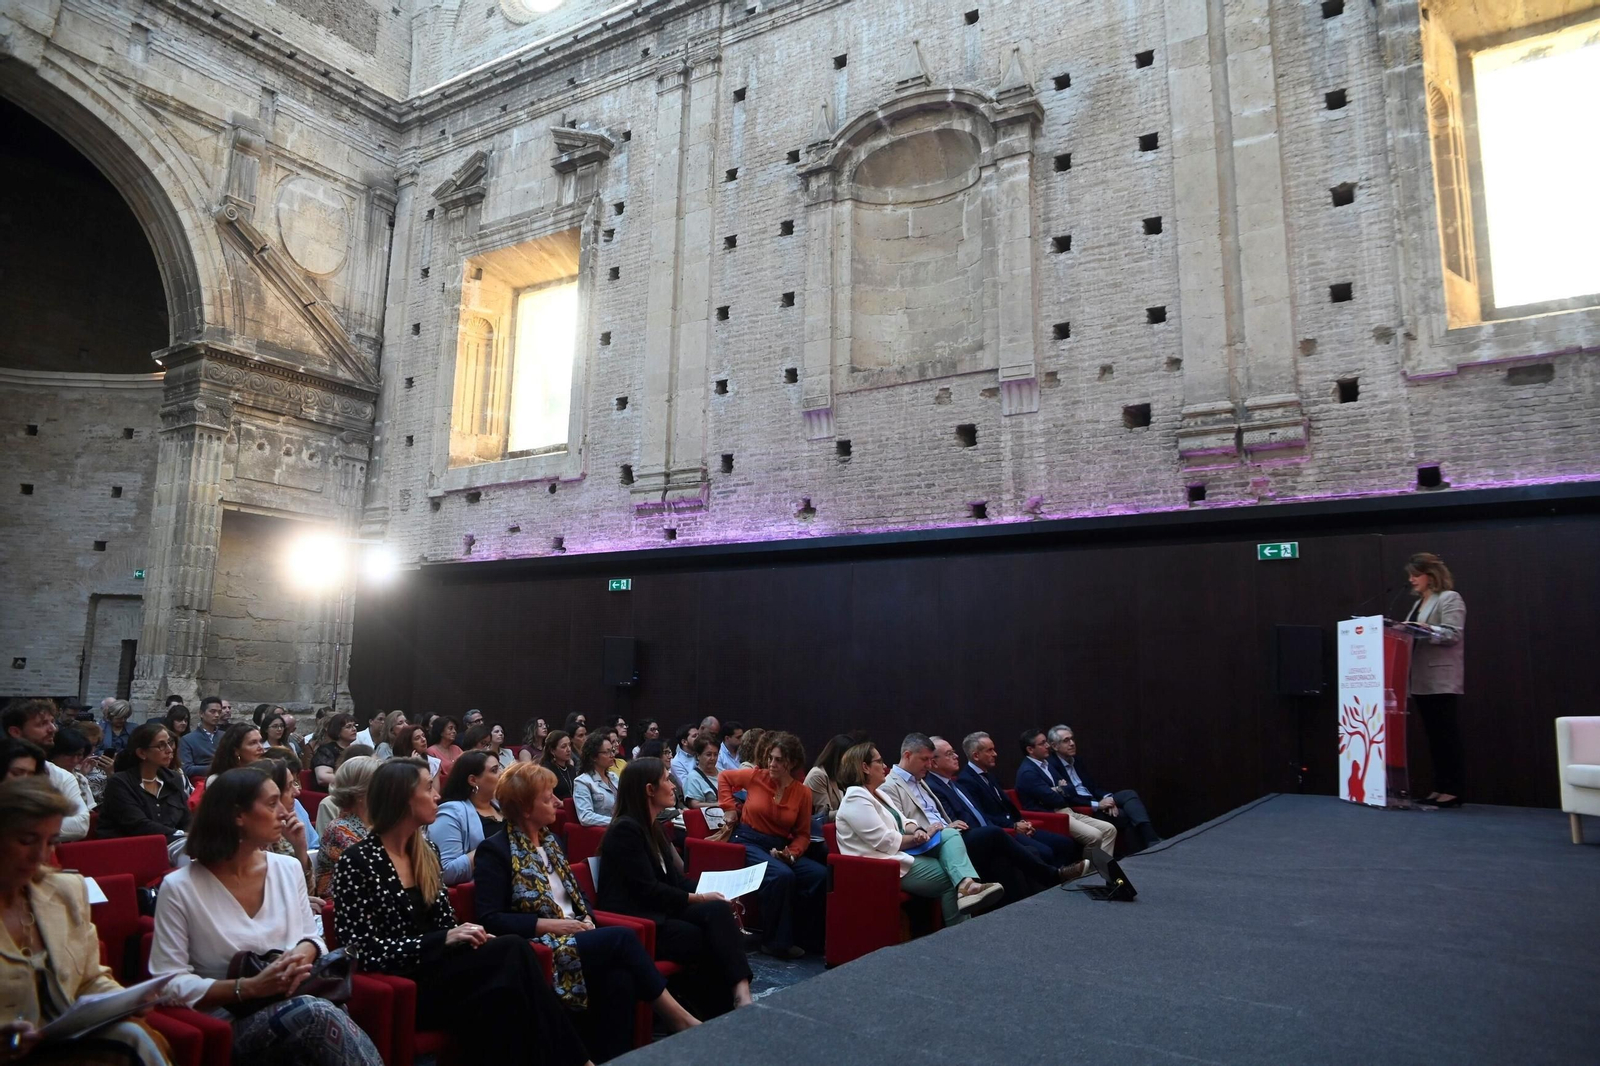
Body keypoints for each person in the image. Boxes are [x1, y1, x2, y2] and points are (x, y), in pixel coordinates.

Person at [330, 760, 592, 1066]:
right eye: (428, 788)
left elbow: (444, 925)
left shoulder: (426, 851)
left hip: (444, 972)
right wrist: (444, 938)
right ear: (401, 798)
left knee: (509, 977)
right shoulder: (358, 861)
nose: (438, 796)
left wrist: (469, 936)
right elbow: (359, 949)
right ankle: (579, 1061)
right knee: (512, 956)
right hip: (406, 984)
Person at [148, 767, 384, 1066]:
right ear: (238, 815)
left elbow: (312, 936)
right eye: (272, 804)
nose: (285, 812)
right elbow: (167, 983)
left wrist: (300, 953)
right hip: (229, 1018)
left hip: (297, 1000)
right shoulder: (180, 887)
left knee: (319, 1013)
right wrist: (250, 987)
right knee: (317, 1014)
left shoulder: (287, 869)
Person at [476, 763, 700, 1058]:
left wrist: (587, 920)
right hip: (539, 945)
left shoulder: (551, 842)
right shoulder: (495, 850)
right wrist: (553, 926)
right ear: (525, 809)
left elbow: (577, 895)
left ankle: (615, 1058)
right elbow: (491, 918)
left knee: (619, 979)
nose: (558, 801)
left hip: (576, 934)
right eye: (548, 798)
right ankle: (678, 1017)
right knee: (622, 938)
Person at [0, 777, 172, 1065]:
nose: (40, 855)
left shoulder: (66, 890)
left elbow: (90, 979)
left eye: (51, 842)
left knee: (131, 1034)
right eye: (26, 840)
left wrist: (123, 1002)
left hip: (67, 1047)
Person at [596, 759, 753, 1012]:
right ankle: (710, 1006)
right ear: (649, 789)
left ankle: (741, 992)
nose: (673, 787)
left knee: (719, 911)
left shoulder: (653, 827)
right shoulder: (625, 830)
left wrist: (712, 890)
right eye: (667, 780)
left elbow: (675, 882)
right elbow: (647, 891)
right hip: (637, 918)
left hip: (661, 908)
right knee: (700, 934)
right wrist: (700, 898)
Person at [836, 741, 1003, 922]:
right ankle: (961, 930)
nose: (885, 766)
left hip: (900, 853)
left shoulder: (878, 793)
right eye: (879, 761)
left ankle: (966, 885)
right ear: (865, 767)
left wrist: (918, 830)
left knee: (949, 833)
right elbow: (885, 842)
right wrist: (917, 839)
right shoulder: (856, 797)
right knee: (950, 878)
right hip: (880, 865)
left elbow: (905, 821)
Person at [715, 732, 826, 958]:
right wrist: (728, 806)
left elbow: (803, 835)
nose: (771, 764)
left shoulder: (802, 792)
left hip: (778, 846)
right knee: (782, 876)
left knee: (819, 874)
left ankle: (808, 938)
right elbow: (724, 777)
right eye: (770, 758)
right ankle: (775, 942)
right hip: (747, 840)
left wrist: (792, 854)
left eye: (778, 760)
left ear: (792, 763)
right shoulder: (756, 776)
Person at [926, 735, 1084, 889]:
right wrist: (1011, 826)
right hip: (970, 838)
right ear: (933, 762)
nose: (956, 756)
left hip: (991, 831)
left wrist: (1017, 823)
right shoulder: (934, 787)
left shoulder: (954, 784)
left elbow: (980, 813)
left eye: (954, 751)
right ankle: (1054, 876)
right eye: (949, 754)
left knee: (1037, 849)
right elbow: (954, 821)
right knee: (1005, 839)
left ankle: (1052, 885)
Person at [956, 731, 1117, 857]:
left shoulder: (989, 774)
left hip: (1042, 817)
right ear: (976, 755)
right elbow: (982, 815)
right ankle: (1091, 875)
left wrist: (1022, 821)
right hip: (1016, 826)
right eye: (990, 750)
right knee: (1087, 838)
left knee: (1109, 829)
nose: (995, 754)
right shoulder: (968, 780)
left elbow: (1070, 789)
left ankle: (1099, 872)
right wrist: (1014, 825)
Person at [1399, 552, 1467, 807]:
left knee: (1446, 735)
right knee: (1433, 736)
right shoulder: (1419, 602)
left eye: (1416, 575)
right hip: (1420, 678)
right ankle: (1439, 787)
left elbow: (1453, 634)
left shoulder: (1449, 598)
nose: (1411, 580)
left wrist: (1427, 630)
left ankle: (1454, 790)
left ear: (1431, 575)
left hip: (1440, 677)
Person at [1045, 725, 1161, 850]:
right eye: (1066, 740)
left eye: (1072, 739)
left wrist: (1108, 799)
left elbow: (1093, 787)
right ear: (1055, 746)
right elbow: (1069, 797)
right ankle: (1143, 847)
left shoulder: (1076, 760)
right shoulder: (1052, 766)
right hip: (1083, 807)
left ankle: (1151, 839)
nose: (1072, 743)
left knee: (1129, 794)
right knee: (1124, 815)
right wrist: (1097, 805)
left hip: (1095, 799)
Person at [1015, 728, 1120, 854]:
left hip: (1067, 811)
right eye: (1042, 743)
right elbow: (1053, 799)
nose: (1047, 746)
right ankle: (1091, 872)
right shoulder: (1028, 772)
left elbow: (1071, 789)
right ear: (1030, 749)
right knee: (1095, 836)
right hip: (1053, 816)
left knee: (1109, 830)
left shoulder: (1046, 763)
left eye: (1046, 742)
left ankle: (1102, 869)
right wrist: (1061, 789)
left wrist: (1058, 789)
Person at [1, 700, 90, 842]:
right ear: (15, 731)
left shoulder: (62, 776)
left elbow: (80, 825)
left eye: (52, 722)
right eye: (42, 724)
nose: (53, 729)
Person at [100, 722, 191, 847]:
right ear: (142, 753)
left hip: (172, 843)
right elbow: (138, 825)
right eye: (161, 745)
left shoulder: (173, 778)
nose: (170, 750)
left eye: (169, 743)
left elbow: (186, 819)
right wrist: (180, 834)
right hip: (131, 848)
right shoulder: (120, 783)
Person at [429, 751, 504, 885]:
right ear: (473, 780)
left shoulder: (502, 806)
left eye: (500, 768)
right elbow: (445, 872)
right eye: (494, 770)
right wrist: (495, 846)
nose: (502, 773)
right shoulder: (451, 812)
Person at [313, 756, 379, 898]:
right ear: (360, 793)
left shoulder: (378, 821)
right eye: (380, 783)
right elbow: (374, 868)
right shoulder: (339, 828)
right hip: (342, 904)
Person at [261, 760, 320, 904]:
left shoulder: (285, 832)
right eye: (289, 786)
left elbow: (307, 893)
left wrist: (300, 848)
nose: (297, 792)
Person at [47, 727, 99, 815]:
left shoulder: (81, 779)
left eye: (79, 755)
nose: (75, 760)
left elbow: (91, 809)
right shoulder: (42, 777)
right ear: (55, 753)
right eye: (69, 755)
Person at [572, 733, 620, 827]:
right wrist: (616, 822)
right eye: (607, 752)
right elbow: (585, 817)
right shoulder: (583, 781)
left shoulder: (614, 777)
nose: (612, 755)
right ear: (594, 757)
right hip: (603, 832)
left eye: (612, 751)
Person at [804, 734, 853, 822]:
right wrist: (853, 810)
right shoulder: (817, 775)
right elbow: (824, 815)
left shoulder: (839, 776)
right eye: (851, 758)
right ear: (840, 757)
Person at [179, 697, 225, 777]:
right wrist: (214, 768)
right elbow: (186, 768)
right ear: (201, 713)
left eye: (219, 712)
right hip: (202, 780)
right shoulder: (187, 739)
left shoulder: (225, 736)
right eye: (212, 711)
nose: (217, 715)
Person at [311, 714, 357, 787]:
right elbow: (323, 778)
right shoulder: (326, 750)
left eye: (354, 725)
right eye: (348, 727)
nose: (354, 729)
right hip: (332, 793)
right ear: (337, 731)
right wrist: (354, 782)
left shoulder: (355, 750)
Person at [75, 721, 113, 801]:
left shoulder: (98, 763)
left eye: (95, 745)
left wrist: (111, 774)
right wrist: (81, 775)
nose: (92, 749)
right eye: (88, 745)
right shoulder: (70, 762)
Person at [680, 736, 720, 807]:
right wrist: (719, 805)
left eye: (715, 755)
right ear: (698, 755)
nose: (713, 758)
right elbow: (694, 805)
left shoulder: (723, 772)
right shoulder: (693, 778)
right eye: (708, 755)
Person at [542, 731, 577, 800]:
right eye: (563, 747)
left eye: (569, 745)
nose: (569, 749)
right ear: (552, 751)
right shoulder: (546, 770)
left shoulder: (571, 769)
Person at [427, 717, 464, 781]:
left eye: (455, 729)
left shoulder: (456, 748)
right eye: (450, 728)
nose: (454, 731)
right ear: (441, 732)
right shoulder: (431, 751)